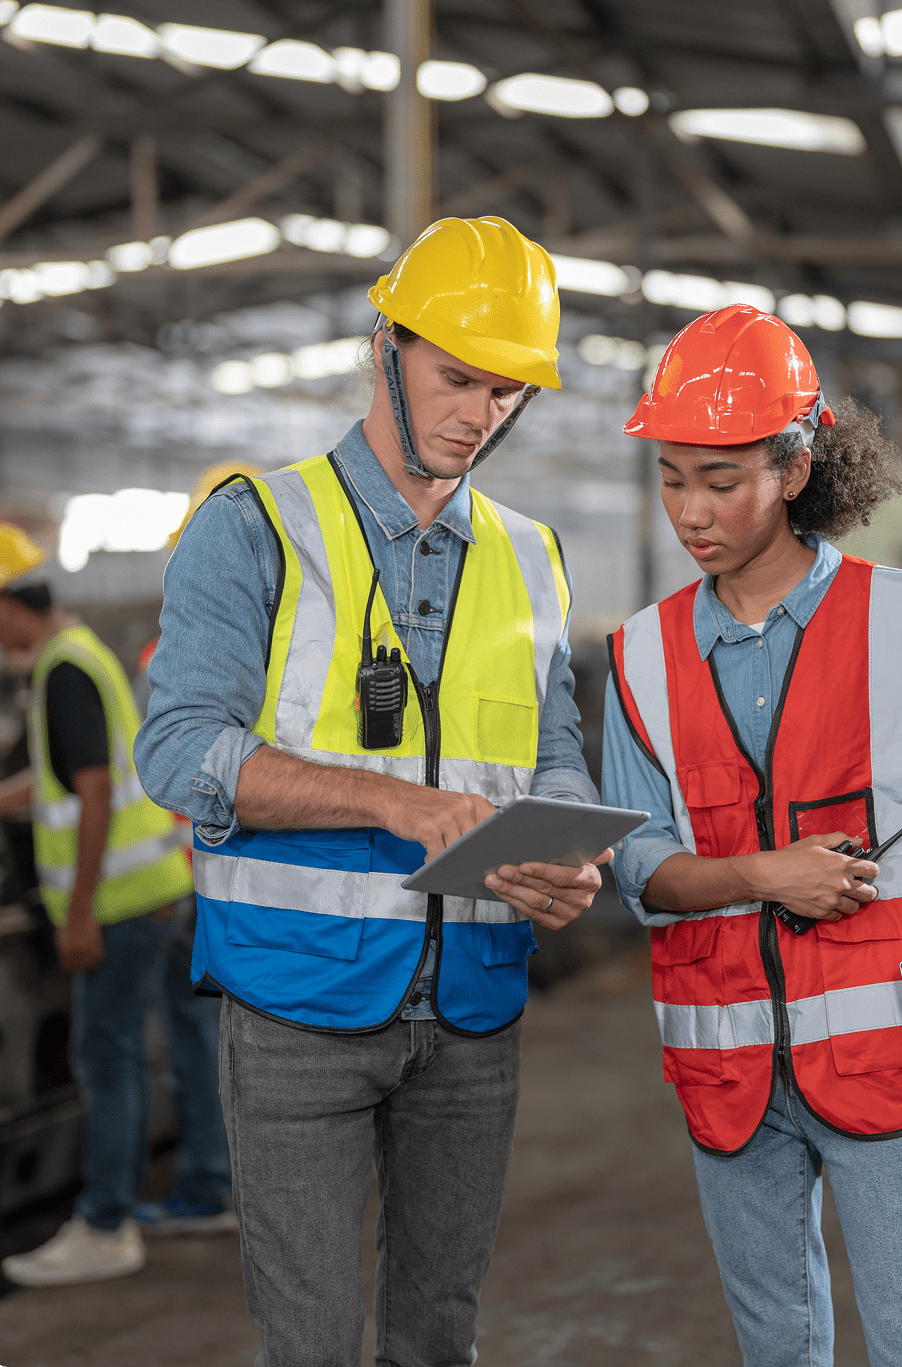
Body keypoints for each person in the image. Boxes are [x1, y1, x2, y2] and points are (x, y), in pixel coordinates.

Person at [134, 215, 606, 1367]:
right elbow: (178, 750)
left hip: (475, 1003)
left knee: (441, 1335)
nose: (477, 415)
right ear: (386, 345)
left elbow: (552, 751)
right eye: (456, 377)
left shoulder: (531, 555)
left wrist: (571, 853)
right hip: (297, 1001)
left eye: (505, 393)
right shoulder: (255, 528)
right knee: (311, 1344)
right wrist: (386, 800)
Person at [601, 305, 902, 1367]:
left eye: (721, 480)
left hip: (883, 1058)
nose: (692, 510)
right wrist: (760, 873)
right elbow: (641, 872)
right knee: (777, 1347)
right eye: (673, 477)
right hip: (725, 1067)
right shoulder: (639, 658)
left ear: (792, 469)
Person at [0, 524, 195, 1286]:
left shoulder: (61, 672)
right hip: (152, 886)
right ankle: (142, 1203)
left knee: (106, 1061)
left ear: (8, 606)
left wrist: (76, 914)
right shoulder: (82, 656)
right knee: (132, 1056)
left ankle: (106, 1223)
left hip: (116, 900)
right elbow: (64, 780)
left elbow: (95, 792)